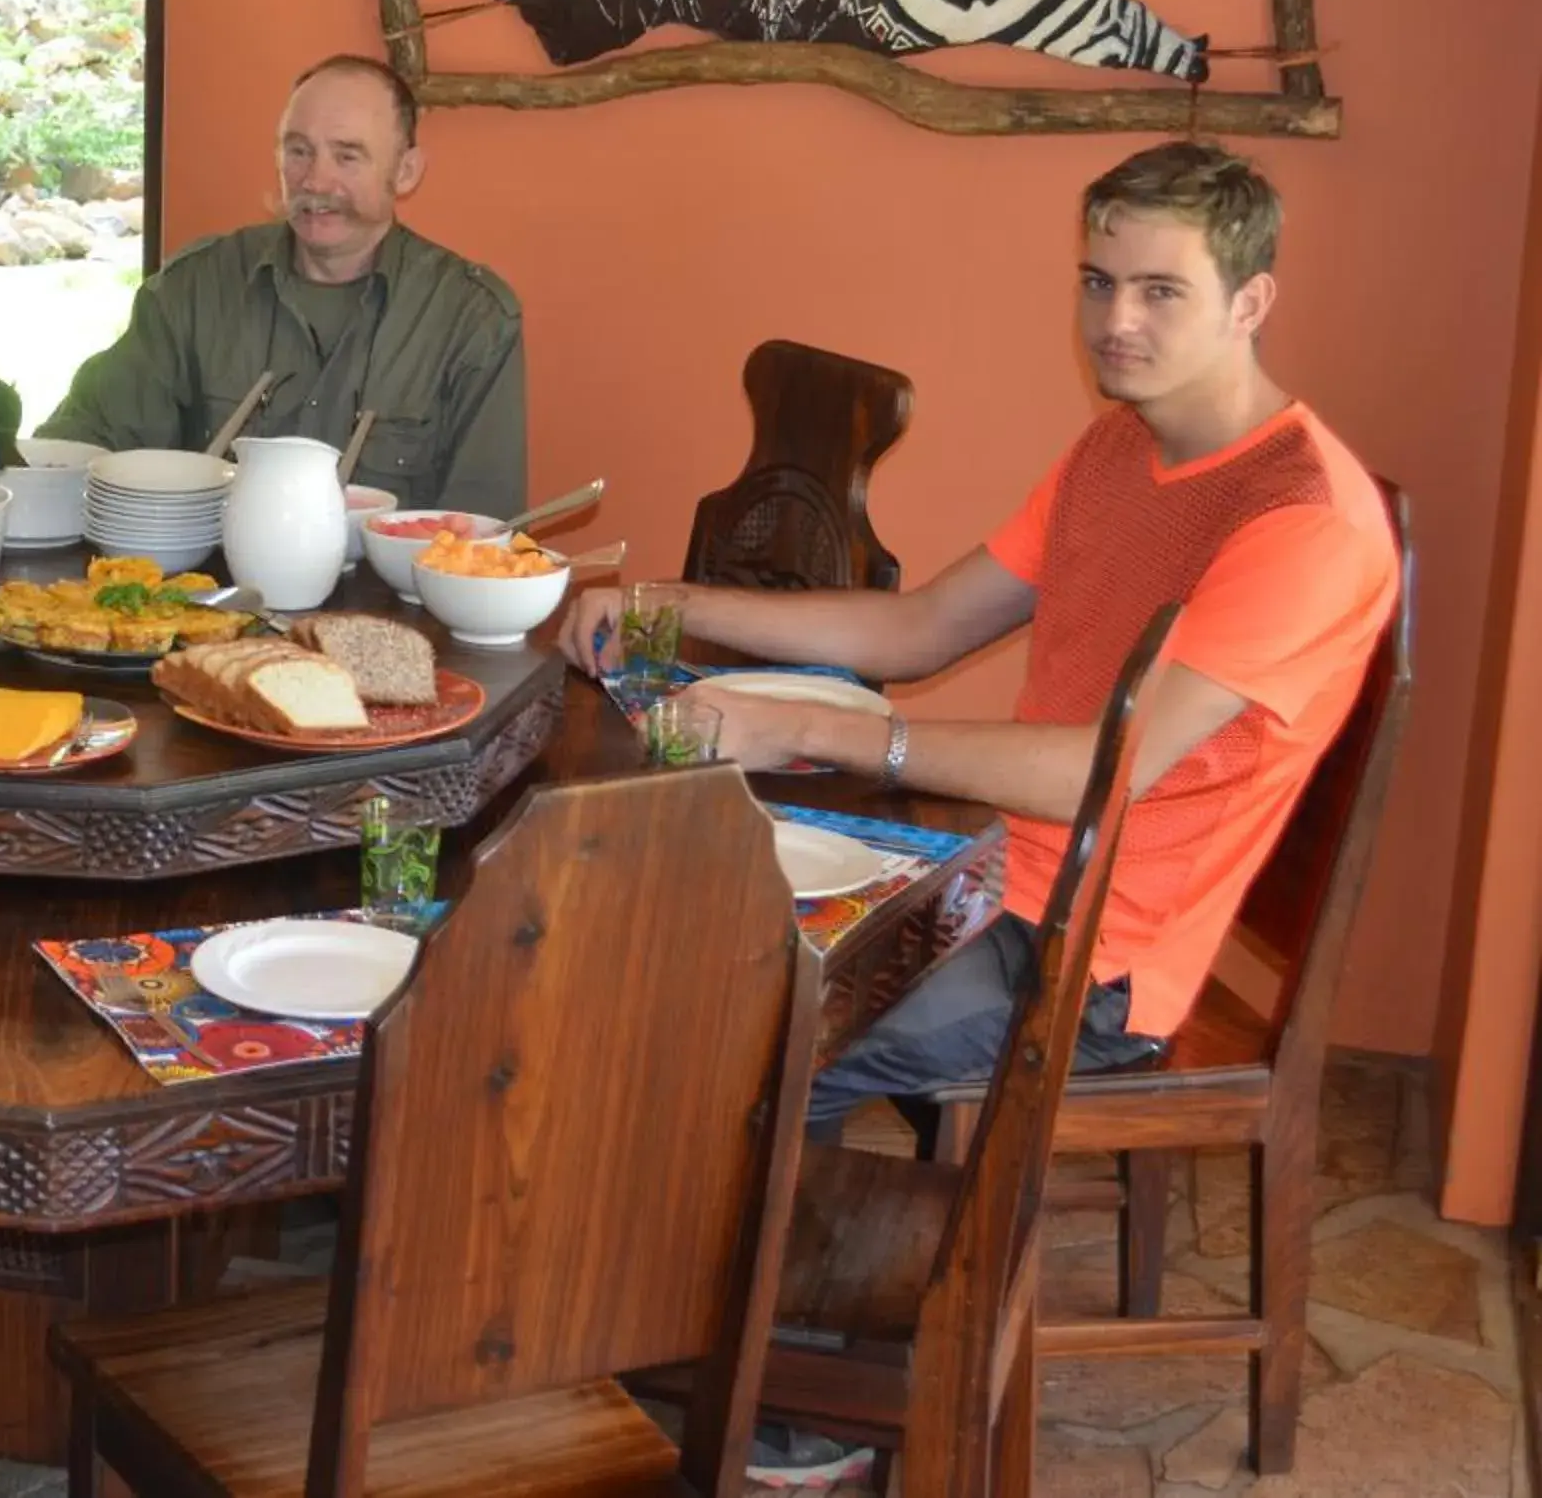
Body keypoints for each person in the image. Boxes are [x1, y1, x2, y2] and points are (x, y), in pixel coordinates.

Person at [564, 143, 1398, 1142]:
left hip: (1090, 961)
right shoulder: (1118, 444)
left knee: (746, 1039)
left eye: (1161, 290)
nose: (1116, 321)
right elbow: (922, 625)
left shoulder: (1303, 519)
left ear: (1250, 301)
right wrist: (670, 600)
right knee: (671, 941)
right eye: (1099, 282)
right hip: (987, 870)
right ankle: (689, 1261)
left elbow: (1102, 769)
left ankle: (749, 1289)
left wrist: (798, 723)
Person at [43, 56, 527, 520]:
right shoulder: (195, 288)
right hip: (201, 598)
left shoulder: (471, 319)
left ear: (405, 172)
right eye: (298, 151)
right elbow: (76, 447)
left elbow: (478, 537)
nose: (316, 180)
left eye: (347, 156)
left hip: (384, 604)